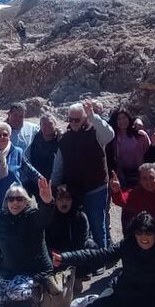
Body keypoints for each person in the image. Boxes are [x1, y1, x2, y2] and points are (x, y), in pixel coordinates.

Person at [0, 181, 56, 307]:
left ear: (26, 201)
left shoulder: (33, 217)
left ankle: (39, 289)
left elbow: (45, 217)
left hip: (35, 271)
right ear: (6, 201)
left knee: (16, 292)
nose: (15, 202)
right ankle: (14, 289)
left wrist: (48, 203)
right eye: (11, 199)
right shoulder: (2, 219)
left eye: (19, 199)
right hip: (11, 270)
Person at [51, 100, 115, 249]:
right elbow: (59, 165)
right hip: (75, 189)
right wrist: (53, 186)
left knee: (97, 224)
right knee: (80, 223)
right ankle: (84, 258)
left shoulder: (95, 132)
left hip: (96, 187)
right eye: (70, 119)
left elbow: (109, 134)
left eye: (77, 119)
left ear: (85, 118)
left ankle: (100, 257)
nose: (73, 123)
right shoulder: (65, 139)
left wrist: (93, 115)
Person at [0, 122, 36, 274]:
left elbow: (28, 169)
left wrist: (42, 181)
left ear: (10, 135)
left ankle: (8, 268)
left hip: (13, 204)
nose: (2, 137)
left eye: (5, 134)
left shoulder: (17, 151)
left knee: (10, 238)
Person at [44, 184, 96, 280]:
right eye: (60, 198)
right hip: (56, 256)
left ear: (72, 200)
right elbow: (45, 242)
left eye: (67, 198)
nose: (64, 201)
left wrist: (67, 257)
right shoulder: (49, 217)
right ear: (55, 201)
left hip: (75, 255)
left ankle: (82, 273)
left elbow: (81, 243)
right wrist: (54, 254)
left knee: (90, 244)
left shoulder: (81, 217)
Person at [109, 163, 155, 231]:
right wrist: (117, 191)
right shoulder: (136, 193)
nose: (149, 182)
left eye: (152, 177)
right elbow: (121, 200)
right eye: (144, 178)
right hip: (147, 231)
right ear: (140, 181)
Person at [106, 108, 151, 188]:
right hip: (123, 175)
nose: (122, 121)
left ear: (129, 118)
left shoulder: (141, 135)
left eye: (124, 117)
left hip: (141, 172)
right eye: (119, 119)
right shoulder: (113, 138)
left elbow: (150, 153)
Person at [25, 113, 60, 196]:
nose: (47, 126)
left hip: (55, 182)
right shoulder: (35, 137)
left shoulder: (60, 140)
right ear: (40, 126)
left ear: (55, 125)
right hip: (36, 180)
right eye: (44, 124)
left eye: (50, 124)